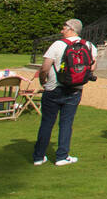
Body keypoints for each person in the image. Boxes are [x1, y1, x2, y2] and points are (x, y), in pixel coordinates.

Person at [31, 19, 97, 167]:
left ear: (71, 29)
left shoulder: (58, 45)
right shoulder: (89, 46)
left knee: (47, 123)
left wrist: (43, 81)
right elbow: (91, 69)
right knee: (66, 124)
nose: (62, 31)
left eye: (64, 28)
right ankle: (62, 156)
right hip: (75, 90)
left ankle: (38, 157)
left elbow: (45, 68)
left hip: (54, 88)